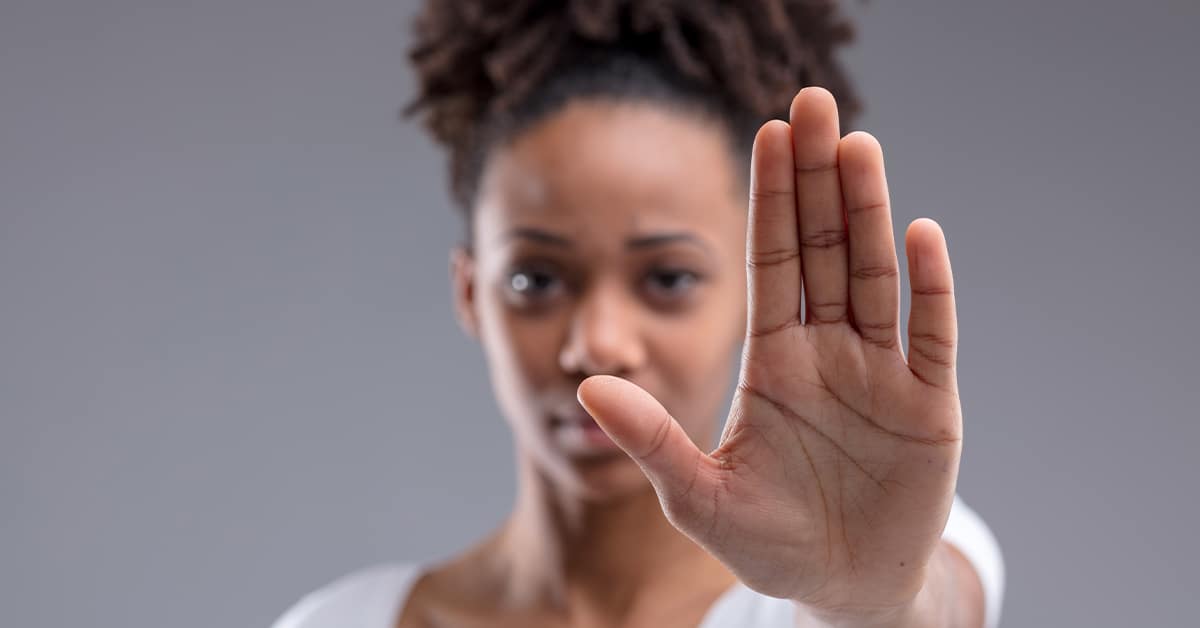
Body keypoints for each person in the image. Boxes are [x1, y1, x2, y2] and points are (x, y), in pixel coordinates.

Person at [272, 1, 1005, 626]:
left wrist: (872, 608)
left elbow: (931, 597)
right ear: (470, 294)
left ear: (756, 289)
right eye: (535, 279)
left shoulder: (851, 560)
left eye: (667, 278)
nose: (599, 344)